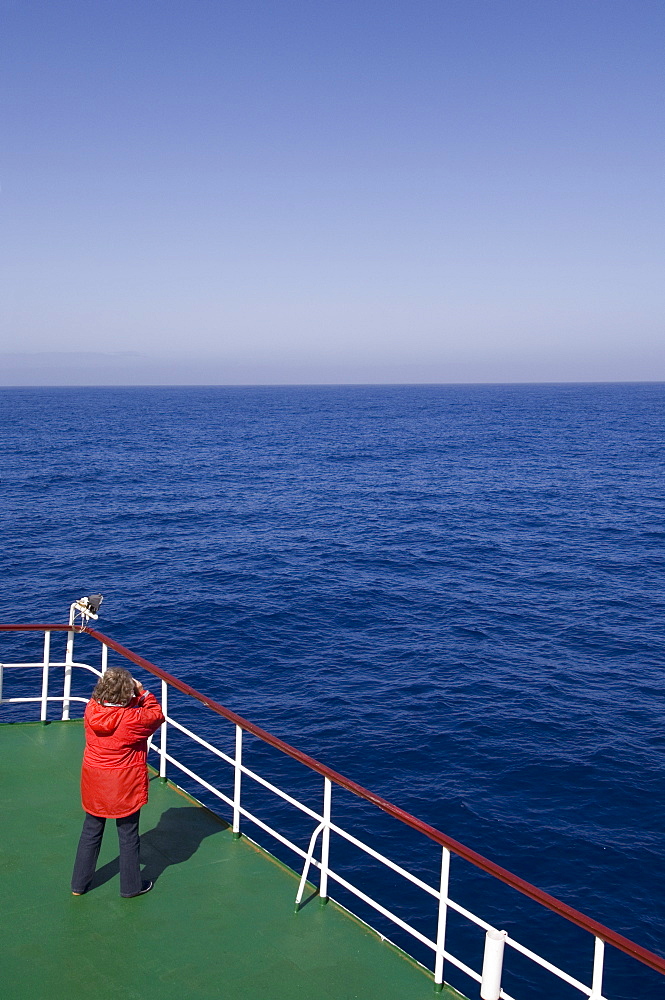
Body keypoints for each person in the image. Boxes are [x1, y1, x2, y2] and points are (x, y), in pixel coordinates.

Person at [71, 666, 165, 897]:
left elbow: (112, 710)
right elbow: (156, 716)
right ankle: (131, 887)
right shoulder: (131, 719)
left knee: (91, 830)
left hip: (95, 778)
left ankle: (79, 885)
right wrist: (142, 694)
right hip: (123, 783)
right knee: (128, 834)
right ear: (127, 693)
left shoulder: (91, 709)